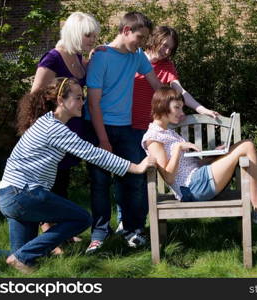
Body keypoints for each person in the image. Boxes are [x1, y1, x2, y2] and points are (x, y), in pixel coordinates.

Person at [0, 77, 155, 273]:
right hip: (22, 194)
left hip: (9, 196)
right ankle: (21, 258)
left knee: (24, 254)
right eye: (79, 98)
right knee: (82, 219)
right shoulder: (54, 129)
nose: (83, 102)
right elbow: (93, 154)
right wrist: (136, 167)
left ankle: (4, 256)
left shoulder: (46, 122)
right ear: (61, 101)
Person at [114, 26, 220, 241]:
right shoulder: (134, 58)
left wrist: (201, 109)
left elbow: (179, 91)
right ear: (154, 40)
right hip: (128, 124)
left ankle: (139, 225)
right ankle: (123, 220)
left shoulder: (167, 66)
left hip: (152, 128)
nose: (167, 51)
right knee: (128, 175)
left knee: (145, 178)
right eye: (165, 45)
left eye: (171, 48)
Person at [141, 86, 257, 225]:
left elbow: (189, 167)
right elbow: (168, 177)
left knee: (243, 146)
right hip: (192, 188)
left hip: (197, 180)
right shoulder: (154, 138)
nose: (181, 113)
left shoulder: (167, 132)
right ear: (162, 106)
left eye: (182, 108)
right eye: (177, 108)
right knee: (247, 145)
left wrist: (215, 155)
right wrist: (178, 149)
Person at [84, 11, 166, 253]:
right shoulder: (101, 57)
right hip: (98, 127)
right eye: (139, 37)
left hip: (127, 128)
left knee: (133, 179)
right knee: (100, 183)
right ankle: (99, 234)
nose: (142, 43)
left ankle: (133, 229)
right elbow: (93, 103)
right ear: (126, 30)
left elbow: (156, 86)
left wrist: (176, 105)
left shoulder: (137, 55)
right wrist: (102, 139)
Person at [30, 11, 100, 249]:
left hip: (73, 131)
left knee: (63, 180)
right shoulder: (52, 59)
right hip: (54, 133)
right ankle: (48, 231)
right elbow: (34, 97)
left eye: (94, 35)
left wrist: (92, 58)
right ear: (74, 34)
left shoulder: (78, 57)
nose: (93, 39)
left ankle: (62, 230)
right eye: (88, 35)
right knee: (50, 180)